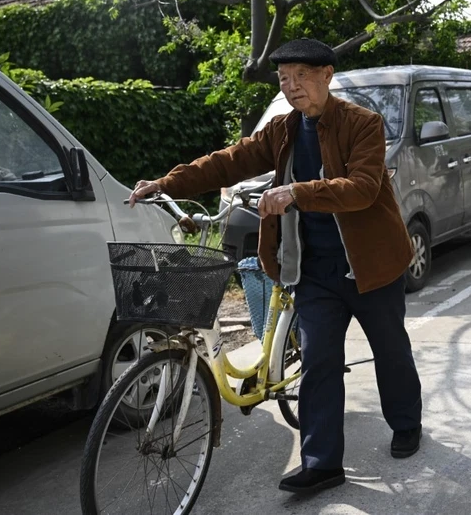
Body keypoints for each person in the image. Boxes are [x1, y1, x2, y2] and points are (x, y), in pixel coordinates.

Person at [129, 38, 423, 494]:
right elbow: (229, 161)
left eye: (301, 76)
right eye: (284, 79)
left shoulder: (364, 124)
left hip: (371, 265)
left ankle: (405, 423)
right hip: (314, 270)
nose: (292, 87)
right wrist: (167, 182)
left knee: (390, 351)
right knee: (320, 361)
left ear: (326, 76)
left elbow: (363, 187)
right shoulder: (283, 130)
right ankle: (323, 463)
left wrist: (298, 192)